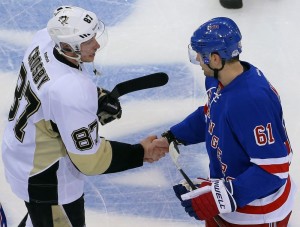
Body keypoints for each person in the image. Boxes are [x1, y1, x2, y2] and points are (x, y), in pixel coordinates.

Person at [1, 6, 167, 227]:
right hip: (47, 177)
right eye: (88, 41)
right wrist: (140, 153)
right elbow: (91, 160)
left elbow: (51, 94)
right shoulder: (71, 91)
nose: (96, 44)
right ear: (68, 46)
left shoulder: (44, 39)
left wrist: (95, 99)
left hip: (21, 152)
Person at [157, 17, 296, 226]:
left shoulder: (252, 101)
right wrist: (173, 136)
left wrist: (221, 197)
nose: (196, 59)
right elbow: (211, 114)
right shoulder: (218, 80)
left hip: (257, 213)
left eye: (200, 55)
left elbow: (273, 169)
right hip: (227, 200)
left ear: (215, 59)